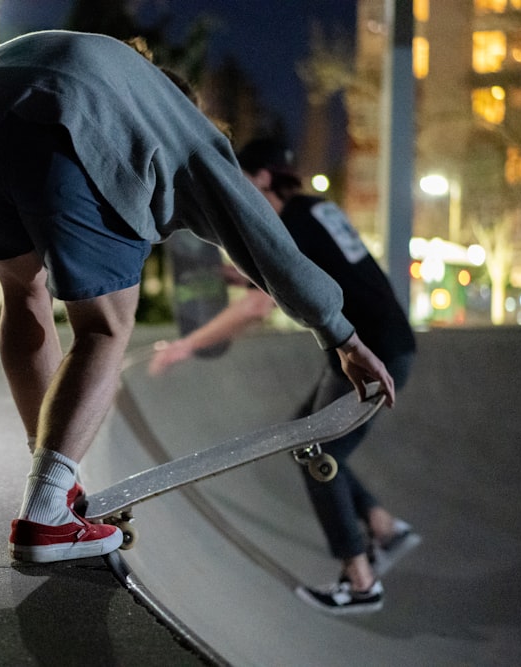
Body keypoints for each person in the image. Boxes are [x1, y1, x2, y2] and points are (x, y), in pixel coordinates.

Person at [0, 30, 396, 564]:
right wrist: (340, 334)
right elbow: (261, 237)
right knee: (104, 326)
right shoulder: (181, 127)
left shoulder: (67, 61)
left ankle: (54, 482)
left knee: (23, 294)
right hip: (63, 133)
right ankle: (45, 514)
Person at [151, 137, 420, 614]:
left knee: (318, 454)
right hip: (386, 342)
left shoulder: (287, 226)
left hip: (370, 353)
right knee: (305, 434)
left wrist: (184, 347)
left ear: (261, 179)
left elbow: (259, 306)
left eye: (243, 184)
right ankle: (383, 527)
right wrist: (247, 274)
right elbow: (308, 273)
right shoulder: (315, 210)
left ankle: (360, 583)